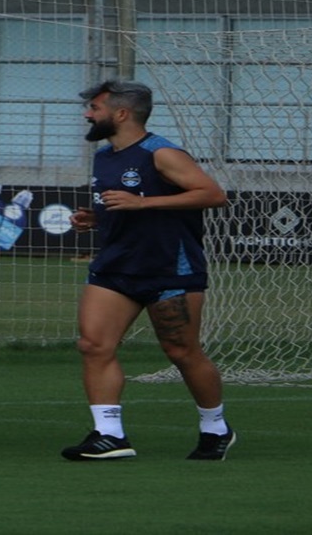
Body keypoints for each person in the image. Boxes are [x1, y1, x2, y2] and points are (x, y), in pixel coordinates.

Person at [62, 79, 235, 461]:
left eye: (95, 108)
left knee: (181, 350)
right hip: (115, 267)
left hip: (169, 268)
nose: (88, 114)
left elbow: (213, 195)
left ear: (121, 114)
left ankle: (215, 428)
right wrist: (97, 218)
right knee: (93, 345)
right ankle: (109, 435)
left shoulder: (163, 152)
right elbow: (125, 204)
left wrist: (142, 203)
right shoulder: (105, 156)